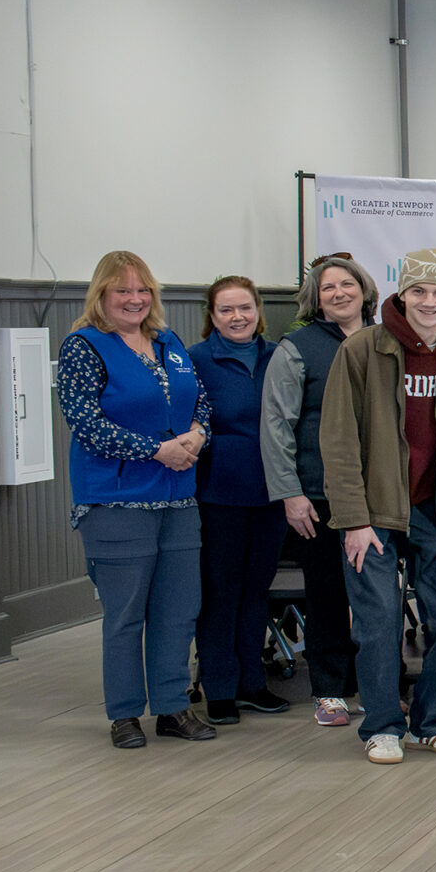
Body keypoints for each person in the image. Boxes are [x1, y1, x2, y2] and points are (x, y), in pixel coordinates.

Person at [321, 246, 436, 765]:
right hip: (373, 509)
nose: (429, 301)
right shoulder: (361, 351)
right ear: (401, 292)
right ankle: (382, 726)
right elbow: (338, 440)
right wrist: (353, 519)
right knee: (378, 621)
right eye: (418, 290)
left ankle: (431, 723)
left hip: (433, 511)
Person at [59, 250, 214, 748]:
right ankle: (124, 714)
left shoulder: (168, 342)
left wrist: (196, 435)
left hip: (178, 500)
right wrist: (157, 450)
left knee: (178, 610)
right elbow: (86, 423)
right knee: (126, 615)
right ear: (101, 295)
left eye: (142, 289)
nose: (134, 298)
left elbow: (201, 401)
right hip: (116, 501)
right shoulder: (84, 346)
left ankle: (172, 708)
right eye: (122, 290)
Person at [262, 255, 377, 728]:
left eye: (346, 284)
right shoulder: (297, 347)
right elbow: (276, 424)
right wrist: (291, 492)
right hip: (318, 495)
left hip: (381, 496)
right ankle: (330, 690)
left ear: (364, 289)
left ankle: (377, 686)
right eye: (327, 287)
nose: (338, 293)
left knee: (378, 600)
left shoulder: (387, 341)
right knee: (327, 596)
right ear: (316, 297)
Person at [186, 275, 287, 725]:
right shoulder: (195, 360)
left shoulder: (279, 355)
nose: (237, 317)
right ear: (212, 316)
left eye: (244, 307)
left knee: (256, 591)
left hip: (272, 494)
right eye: (225, 310)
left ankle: (252, 684)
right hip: (219, 494)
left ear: (258, 310)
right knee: (220, 594)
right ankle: (220, 688)